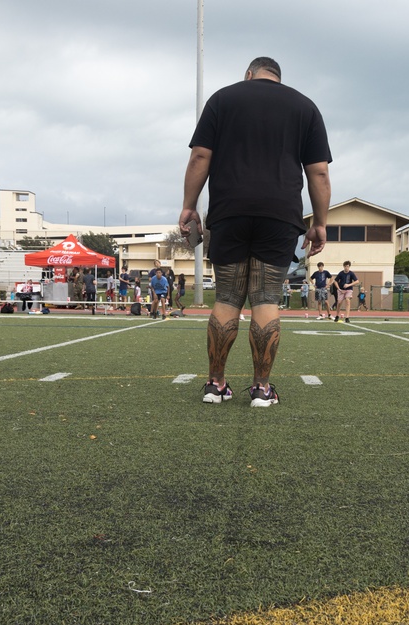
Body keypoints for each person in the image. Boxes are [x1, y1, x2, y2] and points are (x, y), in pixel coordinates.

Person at [179, 56, 331, 407]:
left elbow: (200, 157)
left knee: (228, 297)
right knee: (265, 298)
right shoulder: (305, 106)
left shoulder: (222, 99)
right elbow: (319, 174)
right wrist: (320, 223)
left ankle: (216, 384)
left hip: (229, 209)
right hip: (279, 213)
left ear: (248, 74)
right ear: (278, 77)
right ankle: (262, 389)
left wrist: (190, 205)